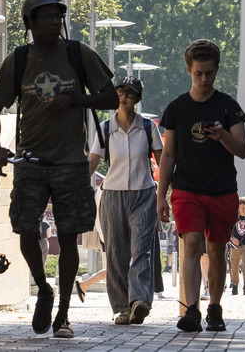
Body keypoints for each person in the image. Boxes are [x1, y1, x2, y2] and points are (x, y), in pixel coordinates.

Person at [0, 0, 117, 340]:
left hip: (71, 163)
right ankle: (43, 286)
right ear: (29, 22)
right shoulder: (18, 60)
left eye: (58, 16)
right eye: (45, 16)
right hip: (30, 160)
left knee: (70, 237)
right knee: (25, 229)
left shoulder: (78, 54)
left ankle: (63, 314)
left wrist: (76, 100)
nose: (54, 21)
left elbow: (111, 96)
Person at [156, 39, 245, 334]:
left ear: (217, 70)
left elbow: (243, 149)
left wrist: (223, 136)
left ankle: (215, 307)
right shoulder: (176, 108)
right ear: (189, 70)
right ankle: (192, 309)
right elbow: (168, 154)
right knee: (192, 243)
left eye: (209, 73)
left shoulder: (228, 106)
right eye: (198, 73)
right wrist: (162, 195)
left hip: (222, 190)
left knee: (216, 249)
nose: (204, 79)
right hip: (187, 189)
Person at [88, 74, 163, 325]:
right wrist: (76, 188)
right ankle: (121, 307)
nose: (124, 97)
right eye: (120, 92)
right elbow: (92, 162)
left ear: (138, 99)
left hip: (144, 193)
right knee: (116, 253)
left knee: (141, 249)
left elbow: (163, 163)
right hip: (112, 195)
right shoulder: (106, 127)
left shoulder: (149, 128)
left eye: (130, 93)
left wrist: (168, 195)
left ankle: (140, 301)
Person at [227, 199, 245, 294]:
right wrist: (232, 238)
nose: (243, 209)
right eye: (241, 208)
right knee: (234, 266)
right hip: (235, 245)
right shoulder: (234, 217)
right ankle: (235, 285)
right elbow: (227, 229)